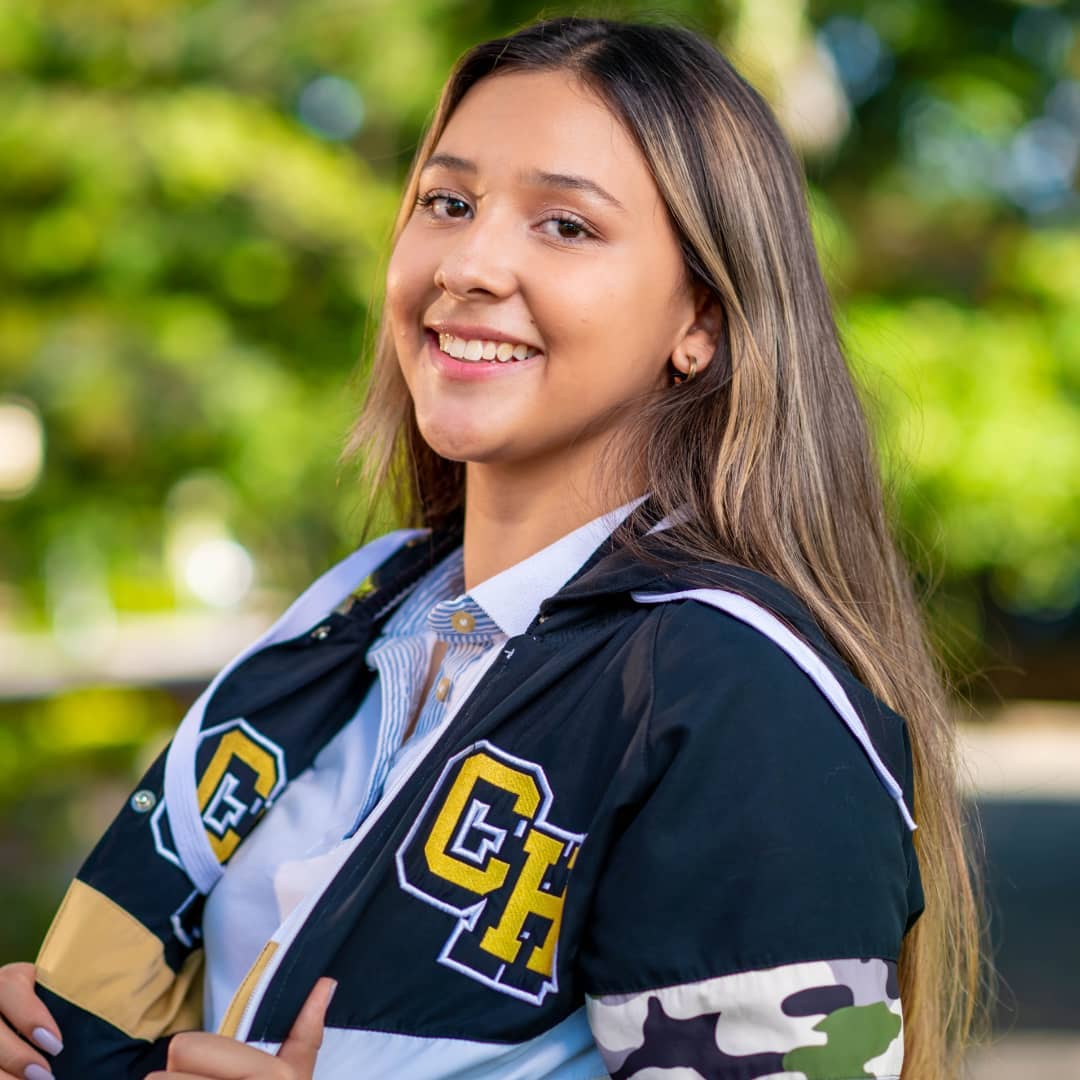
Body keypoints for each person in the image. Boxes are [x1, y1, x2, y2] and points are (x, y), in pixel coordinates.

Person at [0, 15, 985, 1080]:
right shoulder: (351, 616)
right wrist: (57, 1051)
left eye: (565, 226)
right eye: (448, 202)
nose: (470, 262)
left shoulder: (740, 695)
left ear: (700, 316)